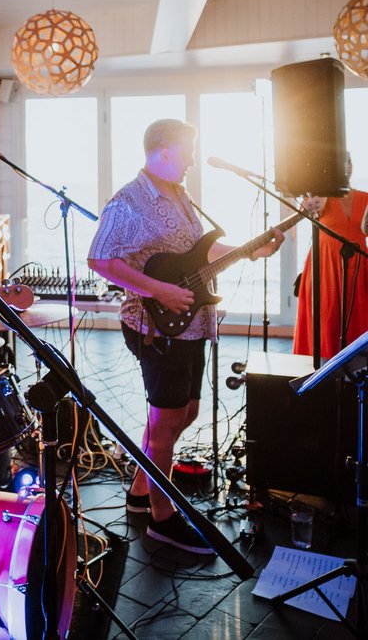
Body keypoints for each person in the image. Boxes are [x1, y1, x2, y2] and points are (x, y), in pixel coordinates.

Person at [87, 119, 282, 555]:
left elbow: (200, 253)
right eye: (188, 150)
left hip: (191, 322)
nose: (193, 158)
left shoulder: (180, 195)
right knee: (168, 420)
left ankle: (140, 492)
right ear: (163, 149)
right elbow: (99, 259)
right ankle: (162, 517)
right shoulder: (128, 201)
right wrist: (158, 289)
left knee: (184, 413)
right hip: (155, 326)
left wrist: (252, 250)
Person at [293, 152, 368, 359]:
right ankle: (323, 376)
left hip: (358, 267)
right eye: (341, 163)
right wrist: (318, 193)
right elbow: (302, 213)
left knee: (358, 320)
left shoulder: (365, 198)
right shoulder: (320, 197)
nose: (347, 166)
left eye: (350, 161)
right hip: (324, 268)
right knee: (326, 319)